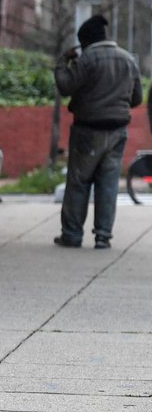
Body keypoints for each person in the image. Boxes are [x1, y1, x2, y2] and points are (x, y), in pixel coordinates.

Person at [52, 14, 143, 249]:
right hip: (118, 131)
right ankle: (103, 235)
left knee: (79, 182)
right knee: (108, 184)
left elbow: (66, 87)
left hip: (88, 130)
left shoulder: (88, 59)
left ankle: (72, 235)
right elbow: (137, 98)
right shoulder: (128, 59)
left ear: (86, 41)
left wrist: (63, 63)